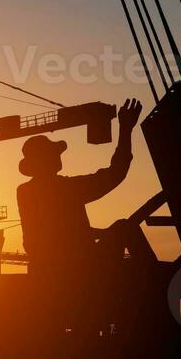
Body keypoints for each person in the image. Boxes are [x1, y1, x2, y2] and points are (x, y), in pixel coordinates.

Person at [17, 99, 155, 287]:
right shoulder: (65, 188)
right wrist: (125, 130)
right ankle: (156, 283)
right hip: (80, 268)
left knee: (120, 229)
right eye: (53, 153)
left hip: (46, 269)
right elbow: (115, 173)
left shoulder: (25, 191)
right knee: (125, 228)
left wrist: (95, 233)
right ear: (45, 160)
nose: (58, 156)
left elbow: (55, 231)